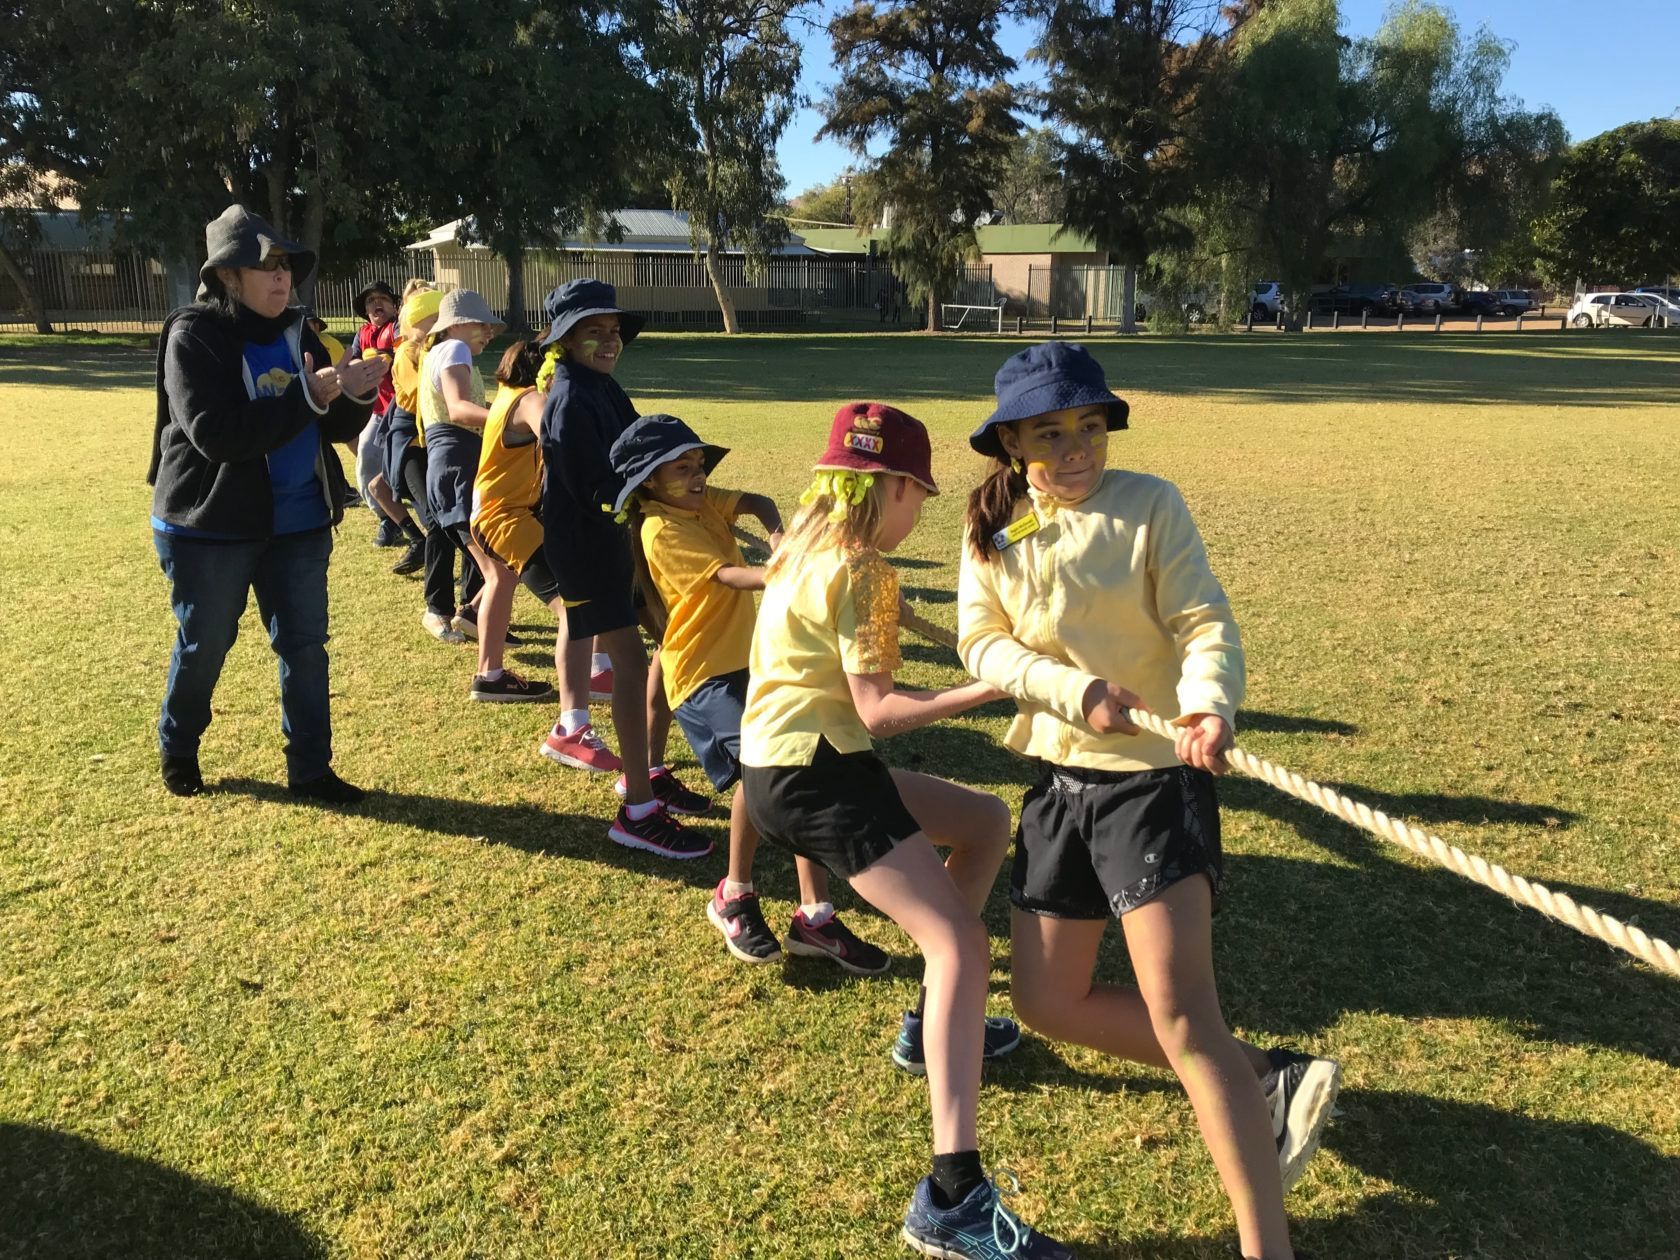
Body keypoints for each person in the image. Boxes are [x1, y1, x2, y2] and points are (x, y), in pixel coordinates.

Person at [957, 342, 1340, 1260]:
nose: (1080, 446)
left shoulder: (1151, 504)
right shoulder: (992, 529)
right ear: (1012, 441)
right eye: (1053, 430)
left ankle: (1265, 1246)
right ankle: (1268, 1078)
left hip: (1153, 787)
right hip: (1058, 781)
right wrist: (1069, 691)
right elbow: (980, 643)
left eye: (1091, 425)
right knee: (1049, 1002)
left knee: (1181, 1016)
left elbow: (1203, 620)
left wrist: (1206, 704)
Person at [739, 403, 1067, 1259]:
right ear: (885, 486)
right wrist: (1005, 686)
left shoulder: (801, 549)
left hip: (786, 770)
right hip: (820, 777)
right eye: (916, 494)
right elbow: (880, 712)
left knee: (985, 822)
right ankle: (953, 1196)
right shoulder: (864, 569)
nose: (918, 509)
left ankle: (930, 1029)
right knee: (958, 944)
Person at [612, 414, 887, 969]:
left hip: (748, 663)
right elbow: (730, 578)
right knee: (761, 774)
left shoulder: (702, 501)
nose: (696, 477)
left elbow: (758, 501)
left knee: (797, 766)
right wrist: (796, 569)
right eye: (681, 470)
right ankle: (734, 894)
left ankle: (815, 916)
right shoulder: (661, 529)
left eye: (697, 467)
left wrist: (776, 532)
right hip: (702, 674)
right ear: (648, 483)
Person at [147, 204, 387, 803]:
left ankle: (311, 770)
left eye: (286, 267)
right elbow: (216, 434)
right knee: (206, 643)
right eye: (267, 267)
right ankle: (178, 747)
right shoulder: (193, 335)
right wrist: (308, 398)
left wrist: (352, 394)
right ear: (228, 276)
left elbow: (327, 420)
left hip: (300, 521)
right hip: (212, 524)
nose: (283, 279)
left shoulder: (300, 330)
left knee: (305, 647)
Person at [537, 279, 707, 857]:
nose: (609, 342)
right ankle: (637, 809)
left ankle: (649, 770)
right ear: (563, 340)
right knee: (631, 664)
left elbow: (640, 454)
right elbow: (597, 491)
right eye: (594, 332)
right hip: (588, 549)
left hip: (620, 542)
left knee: (664, 643)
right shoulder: (567, 401)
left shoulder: (601, 385)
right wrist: (666, 504)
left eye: (614, 332)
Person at [345, 280, 411, 544]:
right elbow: (352, 360)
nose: (376, 304)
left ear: (395, 305)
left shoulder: (400, 327)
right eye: (370, 301)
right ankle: (387, 519)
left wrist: (384, 357)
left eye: (382, 298)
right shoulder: (362, 333)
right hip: (378, 409)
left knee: (407, 465)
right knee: (366, 457)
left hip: (406, 407)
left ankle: (427, 522)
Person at [382, 286, 442, 579]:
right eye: (435, 318)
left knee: (439, 516)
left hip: (431, 437)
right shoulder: (407, 351)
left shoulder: (438, 350)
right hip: (411, 440)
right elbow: (421, 393)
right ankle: (435, 593)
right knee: (432, 517)